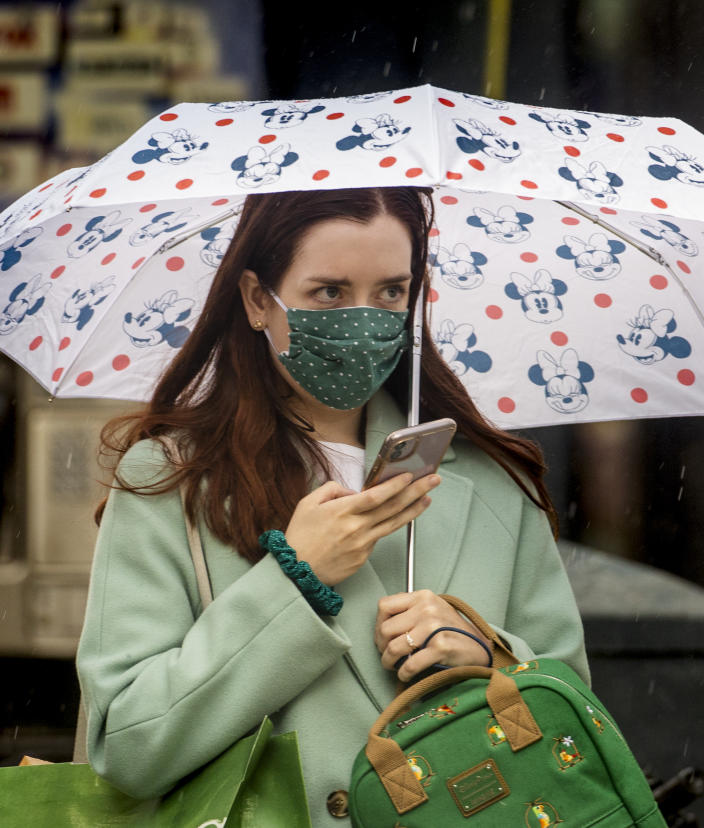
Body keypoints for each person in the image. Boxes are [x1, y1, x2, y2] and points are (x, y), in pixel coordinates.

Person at [76, 186, 589, 824]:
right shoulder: (171, 480)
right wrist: (295, 584)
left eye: (391, 293)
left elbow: (573, 716)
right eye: (330, 293)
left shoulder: (492, 482)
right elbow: (128, 744)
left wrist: (489, 654)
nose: (364, 319)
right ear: (258, 299)